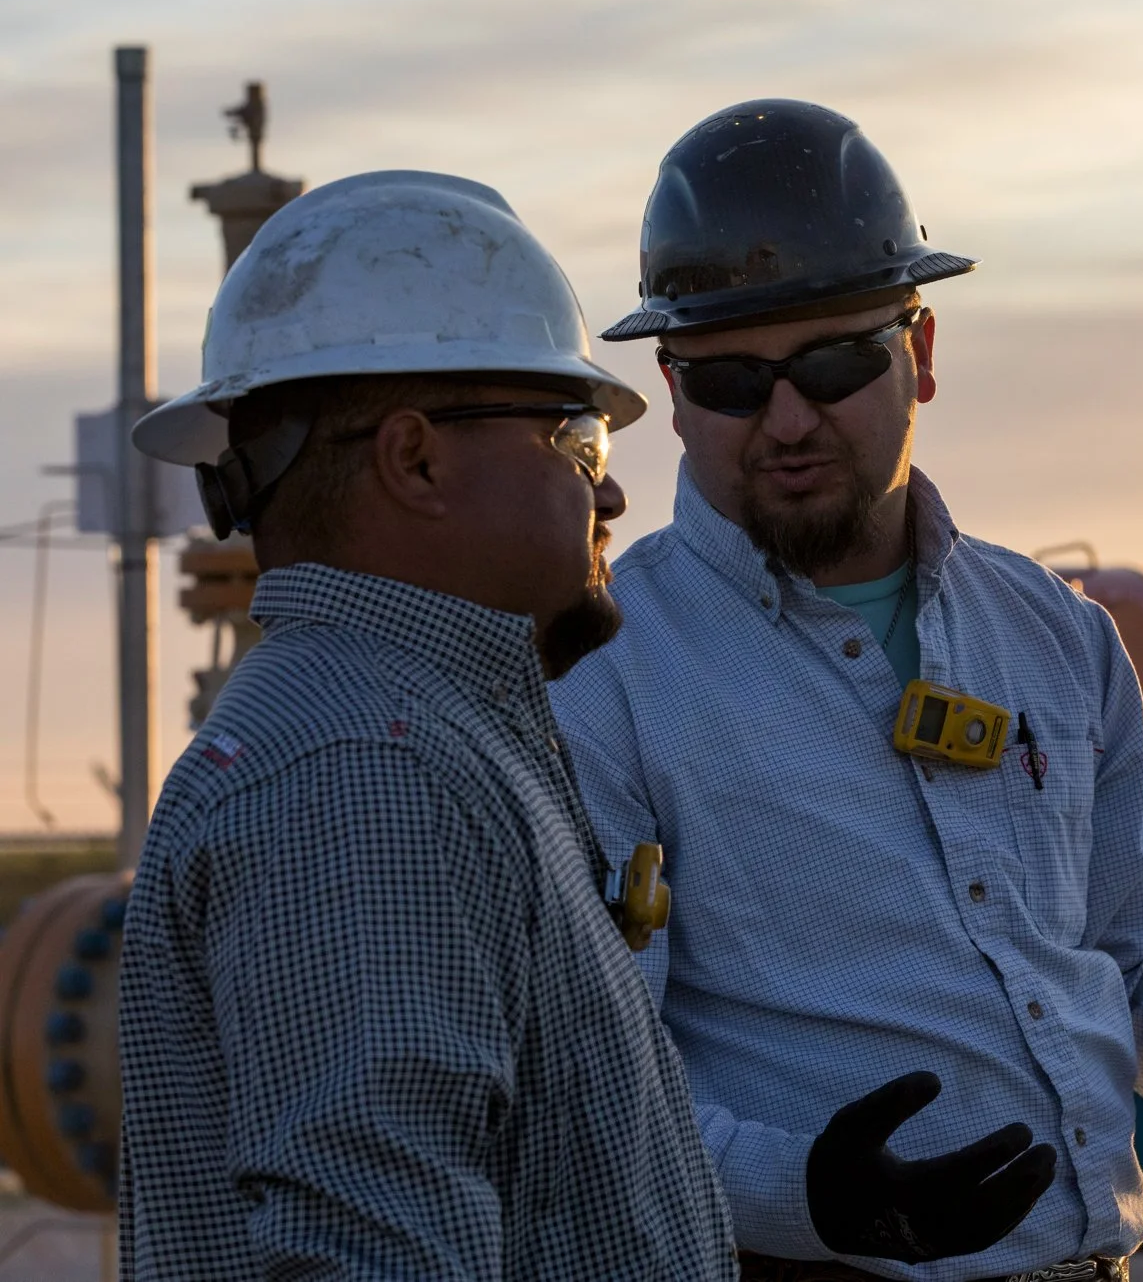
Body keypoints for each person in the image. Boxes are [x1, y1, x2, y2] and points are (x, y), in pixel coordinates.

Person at [552, 100, 1143, 1282]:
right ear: (672, 394)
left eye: (835, 363)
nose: (785, 420)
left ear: (921, 353)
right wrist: (810, 1199)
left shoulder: (1052, 637)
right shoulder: (608, 671)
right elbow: (595, 1072)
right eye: (732, 380)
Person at [118, 170, 736, 1281]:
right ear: (415, 459)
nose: (611, 496)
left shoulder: (416, 736)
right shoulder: (365, 774)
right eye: (580, 438)